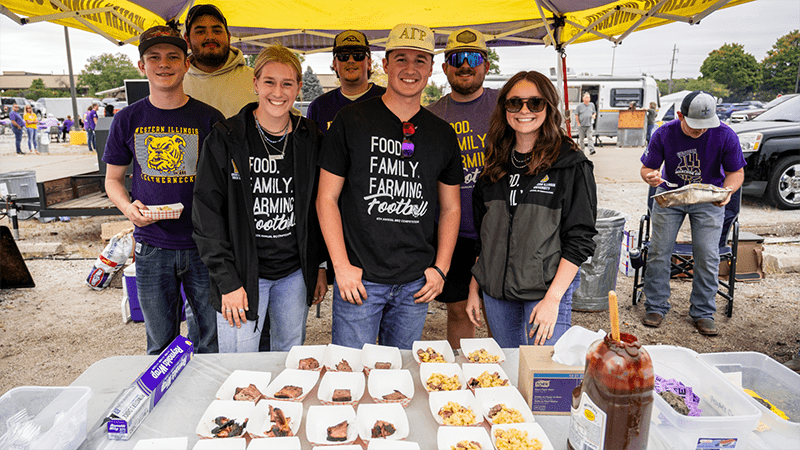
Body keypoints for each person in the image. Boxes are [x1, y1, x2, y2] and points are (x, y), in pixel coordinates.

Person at [316, 23, 463, 350]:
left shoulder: (442, 134)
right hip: (360, 280)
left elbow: (452, 207)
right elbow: (326, 198)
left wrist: (441, 268)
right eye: (401, 59)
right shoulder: (350, 120)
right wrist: (340, 266)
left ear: (432, 69)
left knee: (397, 381)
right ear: (384, 64)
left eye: (420, 60)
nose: (410, 69)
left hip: (415, 284)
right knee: (349, 377)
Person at [193, 45, 328, 353]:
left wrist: (318, 265)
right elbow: (207, 215)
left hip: (294, 273)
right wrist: (226, 281)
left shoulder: (311, 138)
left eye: (287, 83)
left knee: (289, 354)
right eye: (269, 82)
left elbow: (318, 208)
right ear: (255, 83)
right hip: (241, 273)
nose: (277, 92)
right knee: (237, 361)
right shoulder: (226, 137)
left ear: (297, 88)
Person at [103, 25, 223, 355]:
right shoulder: (128, 119)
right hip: (152, 247)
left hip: (204, 246)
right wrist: (129, 210)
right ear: (142, 66)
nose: (164, 64)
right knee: (159, 344)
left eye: (173, 57)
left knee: (211, 339)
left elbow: (225, 182)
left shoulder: (209, 118)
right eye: (154, 58)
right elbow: (113, 180)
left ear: (187, 64)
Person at [467, 71, 597, 347]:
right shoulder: (494, 165)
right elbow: (484, 236)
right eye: (514, 103)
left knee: (543, 381)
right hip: (496, 293)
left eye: (535, 103)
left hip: (544, 292)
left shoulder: (571, 164)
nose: (524, 111)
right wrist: (474, 287)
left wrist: (553, 299)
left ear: (549, 107)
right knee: (507, 371)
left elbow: (580, 239)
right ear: (504, 109)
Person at [640, 91, 745, 336]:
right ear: (680, 116)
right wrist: (651, 176)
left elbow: (736, 172)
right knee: (658, 250)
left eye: (706, 126)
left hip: (708, 198)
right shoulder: (664, 133)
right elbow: (647, 168)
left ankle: (703, 312)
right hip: (672, 196)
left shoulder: (725, 135)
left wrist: (728, 190)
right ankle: (655, 306)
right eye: (695, 126)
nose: (701, 131)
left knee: (708, 254)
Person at [426, 28, 498, 350]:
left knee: (498, 310)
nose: (465, 65)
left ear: (486, 64)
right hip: (453, 233)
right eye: (457, 59)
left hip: (497, 231)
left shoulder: (507, 107)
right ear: (445, 67)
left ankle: (502, 382)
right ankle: (458, 383)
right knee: (457, 310)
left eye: (473, 58)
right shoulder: (431, 115)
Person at [182, 3, 256, 118]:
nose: (210, 37)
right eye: (200, 31)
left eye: (217, 31)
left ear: (228, 36)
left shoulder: (258, 81)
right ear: (187, 39)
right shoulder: (176, 84)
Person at [306, 30, 385, 135]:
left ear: (369, 63)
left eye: (358, 55)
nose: (351, 60)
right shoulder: (319, 107)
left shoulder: (389, 100)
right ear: (335, 65)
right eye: (343, 56)